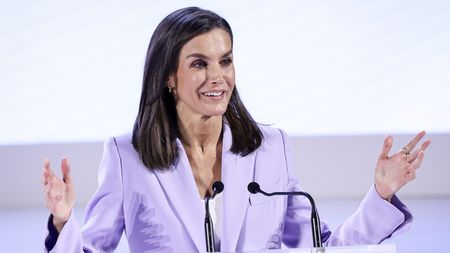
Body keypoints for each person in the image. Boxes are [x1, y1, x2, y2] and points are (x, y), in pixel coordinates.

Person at [42, 6, 431, 253]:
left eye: (225, 61)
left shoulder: (270, 149)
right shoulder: (127, 157)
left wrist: (381, 193)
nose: (218, 77)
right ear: (168, 77)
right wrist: (63, 219)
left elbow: (318, 246)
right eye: (199, 64)